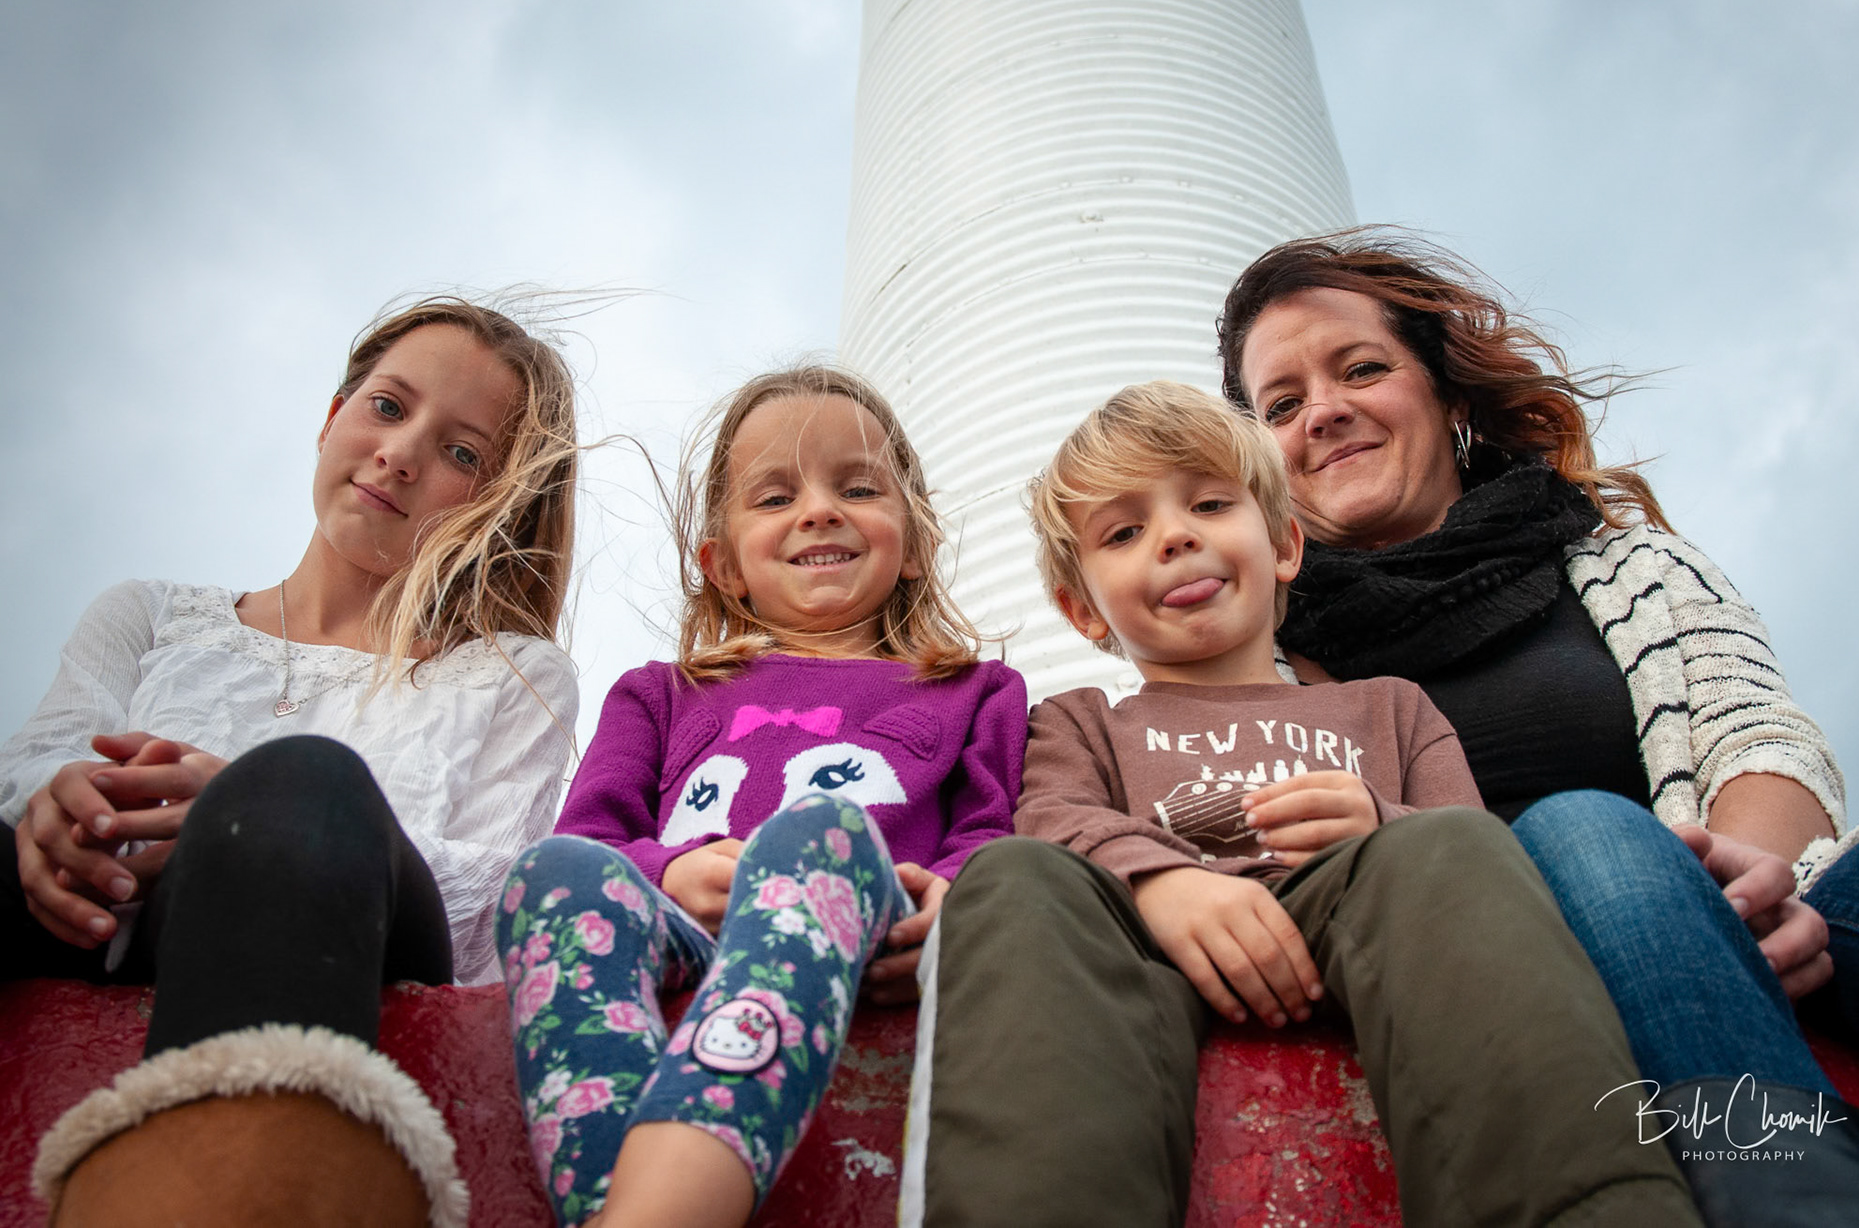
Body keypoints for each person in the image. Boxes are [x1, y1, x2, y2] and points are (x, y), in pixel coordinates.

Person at [1218, 229, 1859, 1224]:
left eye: (1362, 369)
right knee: (1584, 827)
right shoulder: (1252, 665)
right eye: (1282, 405)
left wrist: (1748, 895)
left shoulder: (1631, 566)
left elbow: (1758, 736)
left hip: (1742, 910)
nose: (1323, 411)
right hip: (1516, 978)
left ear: (1450, 399)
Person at [900, 381, 1701, 1228]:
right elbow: (1052, 821)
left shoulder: (1393, 707)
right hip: (1147, 954)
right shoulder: (1078, 721)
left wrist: (1380, 826)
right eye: (1124, 533)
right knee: (1016, 875)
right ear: (1081, 609)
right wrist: (1161, 882)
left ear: (1284, 545)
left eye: (1210, 504)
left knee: (1448, 850)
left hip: (1362, 920)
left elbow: (1477, 851)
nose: (1175, 537)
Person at [6, 297, 582, 1228]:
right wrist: (63, 807)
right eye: (387, 407)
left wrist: (244, 821)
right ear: (331, 416)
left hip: (357, 949)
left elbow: (486, 905)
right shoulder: (149, 614)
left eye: (462, 452)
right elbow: (40, 755)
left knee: (303, 787)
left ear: (498, 504)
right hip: (100, 916)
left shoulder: (514, 674)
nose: (401, 454)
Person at [495, 366, 1026, 1228]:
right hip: (683, 933)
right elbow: (593, 839)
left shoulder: (978, 690)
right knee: (550, 872)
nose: (818, 510)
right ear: (723, 565)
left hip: (860, 929)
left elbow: (990, 835)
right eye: (775, 497)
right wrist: (671, 874)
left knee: (818, 828)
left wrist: (952, 902)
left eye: (858, 488)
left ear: (914, 540)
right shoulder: (659, 693)